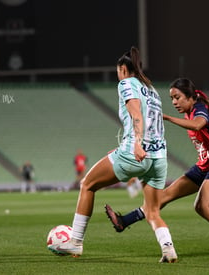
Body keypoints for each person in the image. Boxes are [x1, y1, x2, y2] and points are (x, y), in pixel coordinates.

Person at [48, 46, 178, 263]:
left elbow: (136, 114)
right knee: (152, 210)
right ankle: (168, 248)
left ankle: (76, 242)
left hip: (136, 153)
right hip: (159, 158)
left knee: (87, 184)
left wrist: (135, 144)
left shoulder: (126, 83)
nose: (118, 74)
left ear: (123, 69)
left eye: (118, 70)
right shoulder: (152, 90)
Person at [105, 78, 209, 255]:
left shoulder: (200, 109)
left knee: (202, 206)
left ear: (190, 97)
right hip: (203, 166)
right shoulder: (189, 112)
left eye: (177, 97)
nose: (174, 102)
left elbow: (198, 125)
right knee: (161, 198)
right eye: (172, 98)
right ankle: (123, 221)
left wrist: (166, 117)